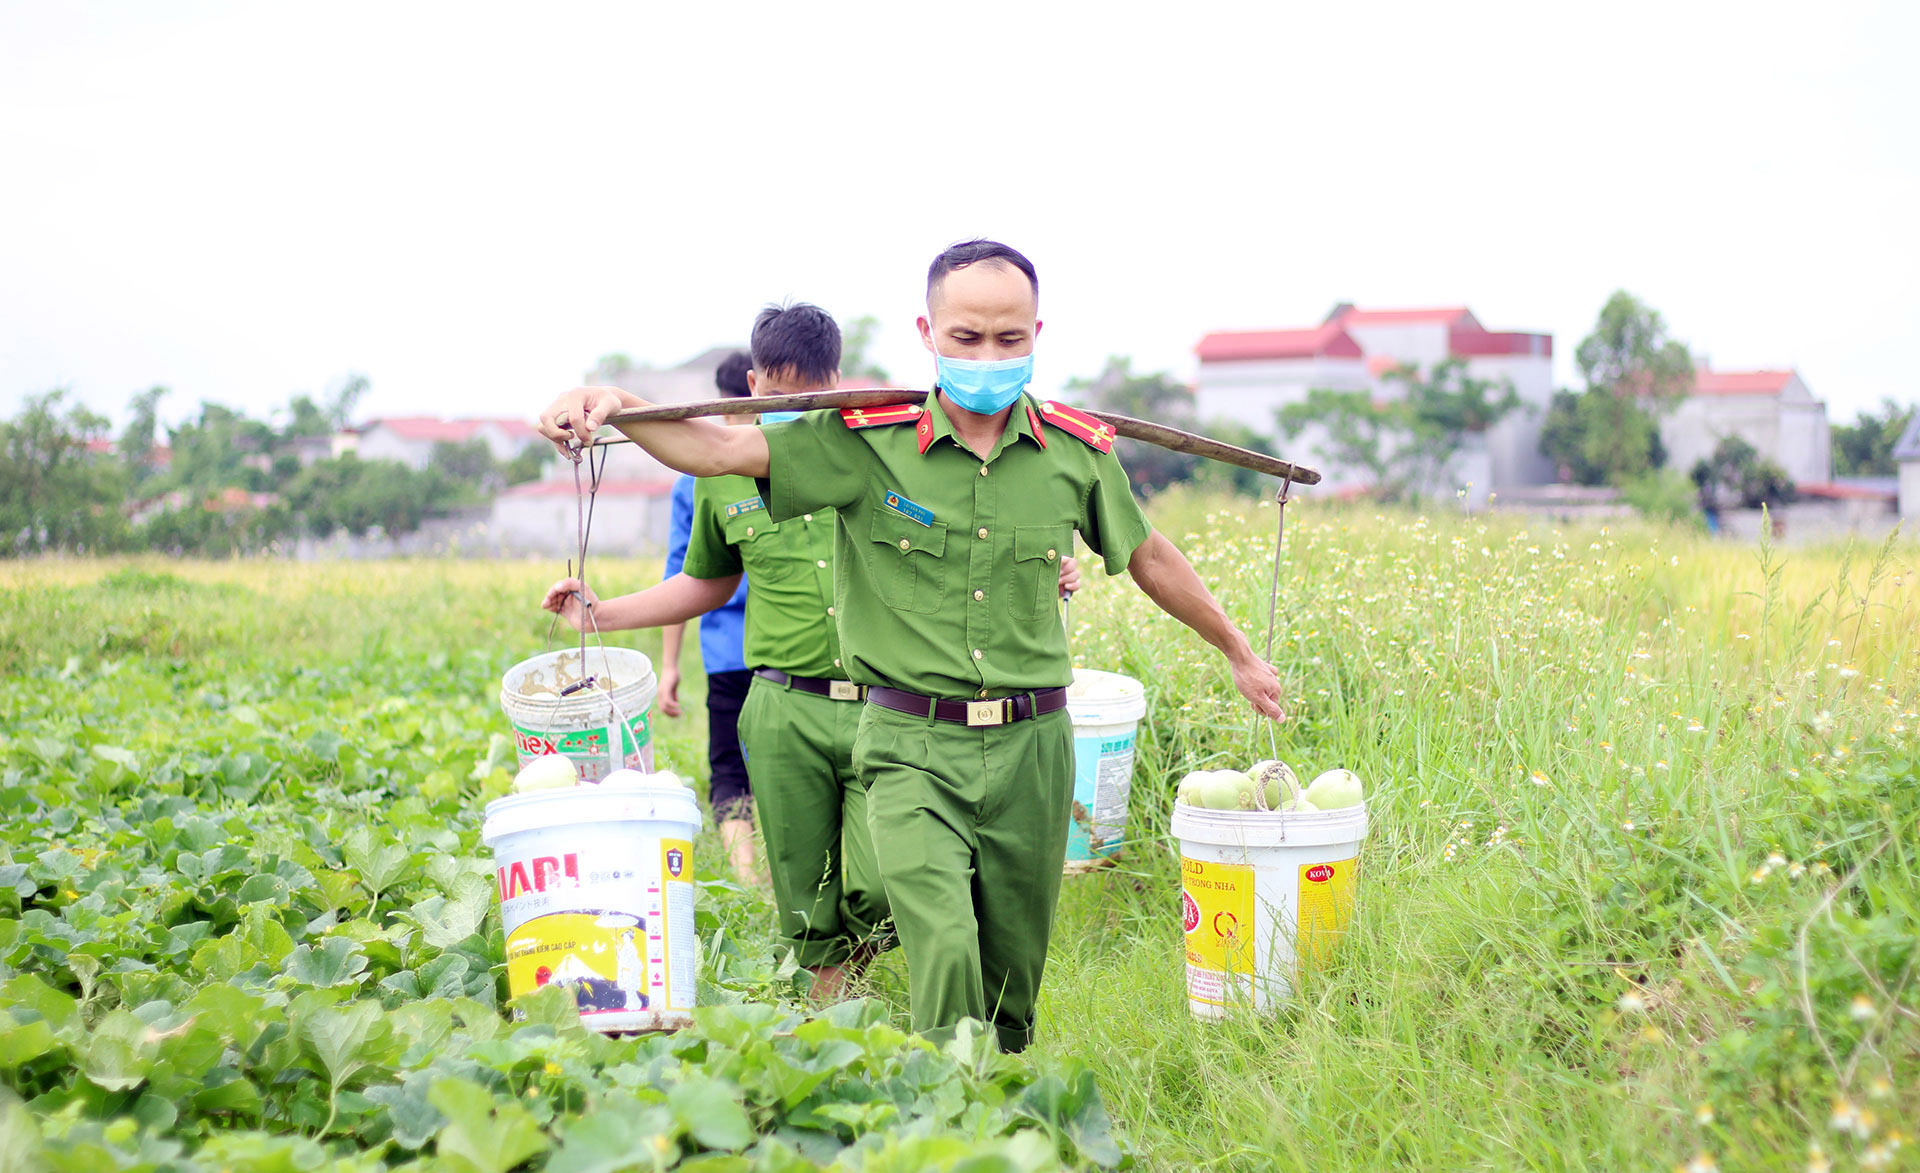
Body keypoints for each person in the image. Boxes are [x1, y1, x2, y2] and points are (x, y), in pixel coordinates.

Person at [538, 241, 1283, 1051]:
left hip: (1034, 746)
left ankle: (995, 1098)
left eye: (1009, 339)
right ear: (929, 332)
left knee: (1010, 981)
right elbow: (720, 451)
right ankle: (940, 1098)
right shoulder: (866, 441)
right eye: (966, 338)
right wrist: (615, 399)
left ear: (1038, 332)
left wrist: (1238, 650)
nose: (988, 357)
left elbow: (1149, 555)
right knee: (942, 944)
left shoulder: (1077, 450)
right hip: (908, 744)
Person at [659, 350, 756, 882]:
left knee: (729, 767)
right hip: (780, 650)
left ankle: (748, 877)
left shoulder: (692, 476)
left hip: (727, 650)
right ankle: (752, 878)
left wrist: (671, 664)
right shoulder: (785, 460)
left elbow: (682, 574)